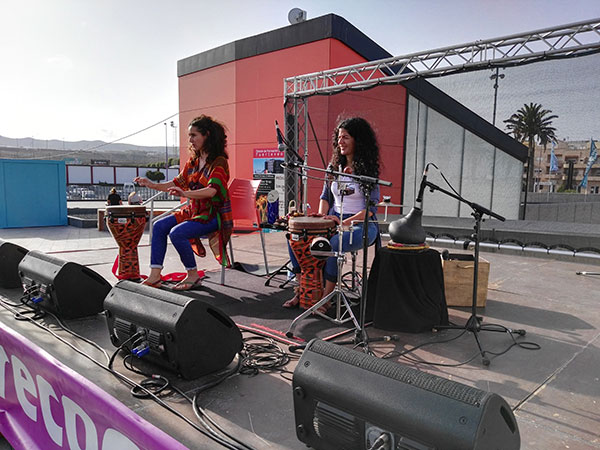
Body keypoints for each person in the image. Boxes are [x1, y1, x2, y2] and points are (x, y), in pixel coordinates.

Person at [283, 117, 381, 311]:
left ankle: (325, 298)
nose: (340, 142)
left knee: (333, 244)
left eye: (345, 137)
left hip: (361, 225)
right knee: (295, 238)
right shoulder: (333, 167)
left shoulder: (368, 171)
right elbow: (325, 197)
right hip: (333, 220)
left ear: (358, 140)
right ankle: (303, 290)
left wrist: (343, 223)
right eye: (338, 137)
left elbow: (370, 210)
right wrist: (321, 220)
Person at [134, 115, 232, 291]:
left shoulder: (219, 162)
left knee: (177, 233)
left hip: (211, 215)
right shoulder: (193, 162)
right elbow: (176, 183)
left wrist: (185, 193)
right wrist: (152, 184)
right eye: (189, 136)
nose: (190, 140)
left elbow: (212, 191)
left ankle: (193, 275)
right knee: (158, 226)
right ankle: (155, 276)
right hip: (194, 211)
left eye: (194, 135)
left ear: (207, 135)